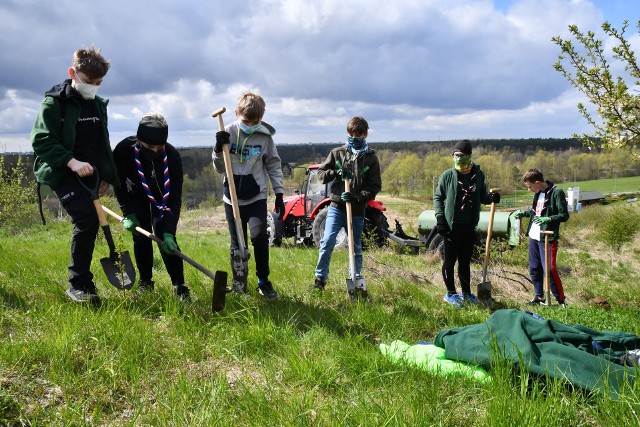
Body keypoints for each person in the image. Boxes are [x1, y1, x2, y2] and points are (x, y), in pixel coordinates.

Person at [31, 47, 119, 304]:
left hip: (89, 173)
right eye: (89, 81)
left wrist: (105, 175)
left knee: (91, 222)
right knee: (87, 221)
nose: (93, 87)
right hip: (62, 170)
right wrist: (70, 161)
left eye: (98, 83)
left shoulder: (98, 105)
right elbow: (41, 140)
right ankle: (78, 284)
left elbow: (101, 143)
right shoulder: (54, 102)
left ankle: (83, 282)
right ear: (73, 73)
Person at [213, 92, 284, 300]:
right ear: (237, 113)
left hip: (256, 197)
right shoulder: (227, 132)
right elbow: (219, 168)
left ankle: (263, 281)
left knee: (260, 236)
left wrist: (279, 193)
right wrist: (218, 149)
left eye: (256, 121)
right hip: (232, 196)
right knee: (238, 242)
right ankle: (239, 283)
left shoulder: (265, 137)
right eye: (246, 120)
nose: (251, 124)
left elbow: (273, 163)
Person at [112, 113, 191, 302]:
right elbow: (119, 183)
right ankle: (146, 283)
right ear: (139, 139)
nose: (154, 151)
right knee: (141, 236)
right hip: (135, 194)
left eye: (159, 147)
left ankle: (179, 286)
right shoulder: (124, 150)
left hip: (162, 198)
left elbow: (175, 197)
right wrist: (127, 212)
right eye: (149, 147)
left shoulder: (172, 156)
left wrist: (170, 230)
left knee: (166, 239)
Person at [312, 116, 382, 298]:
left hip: (357, 210)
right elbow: (320, 174)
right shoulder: (337, 153)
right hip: (337, 207)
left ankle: (356, 279)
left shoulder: (371, 158)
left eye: (358, 135)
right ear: (348, 134)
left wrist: (358, 198)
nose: (355, 137)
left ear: (365, 135)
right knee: (327, 242)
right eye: (352, 134)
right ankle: (320, 280)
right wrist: (336, 172)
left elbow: (375, 186)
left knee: (355, 247)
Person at [433, 140, 500, 307]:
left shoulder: (477, 175)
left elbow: (482, 196)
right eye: (456, 156)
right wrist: (440, 218)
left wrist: (490, 199)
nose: (458, 159)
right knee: (449, 261)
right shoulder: (448, 175)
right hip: (451, 226)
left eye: (461, 156)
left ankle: (467, 294)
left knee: (465, 261)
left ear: (469, 156)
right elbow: (438, 197)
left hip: (469, 225)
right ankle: (450, 294)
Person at [515, 168, 569, 307]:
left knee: (549, 269)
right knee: (534, 268)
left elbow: (564, 215)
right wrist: (524, 214)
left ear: (538, 182)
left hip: (547, 237)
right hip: (534, 235)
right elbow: (536, 212)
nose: (529, 190)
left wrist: (549, 219)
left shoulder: (557, 193)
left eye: (530, 187)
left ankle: (561, 300)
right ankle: (539, 297)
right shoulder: (537, 193)